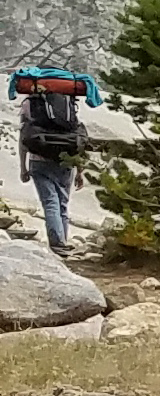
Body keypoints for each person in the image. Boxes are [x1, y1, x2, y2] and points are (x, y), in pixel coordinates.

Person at [15, 63, 97, 253]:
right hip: (66, 160)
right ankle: (63, 242)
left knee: (50, 202)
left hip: (39, 159)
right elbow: (76, 136)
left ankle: (57, 243)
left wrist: (22, 166)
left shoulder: (30, 103)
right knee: (62, 203)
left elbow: (24, 137)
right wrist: (80, 171)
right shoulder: (68, 103)